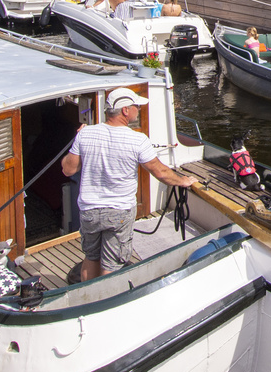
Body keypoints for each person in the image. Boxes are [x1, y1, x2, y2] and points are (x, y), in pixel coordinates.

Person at [62, 88, 198, 281]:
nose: (139, 110)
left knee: (91, 258)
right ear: (125, 110)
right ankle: (109, 304)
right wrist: (183, 181)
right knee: (112, 264)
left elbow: (68, 169)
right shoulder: (137, 139)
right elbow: (160, 171)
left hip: (90, 210)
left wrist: (78, 139)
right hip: (119, 212)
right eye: (136, 106)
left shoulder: (86, 134)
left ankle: (87, 301)